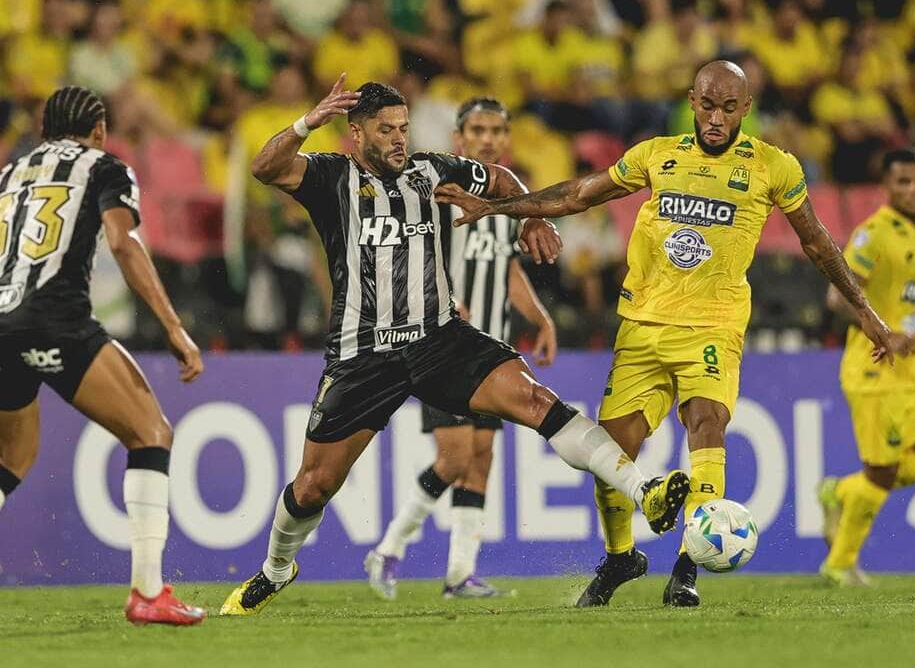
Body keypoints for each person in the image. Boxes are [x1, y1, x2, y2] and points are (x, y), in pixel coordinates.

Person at [436, 60, 914, 608]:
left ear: (746, 110)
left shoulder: (772, 167)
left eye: (728, 109)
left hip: (713, 326)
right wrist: (496, 208)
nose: (716, 118)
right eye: (707, 105)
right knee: (611, 454)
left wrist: (867, 313)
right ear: (692, 100)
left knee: (707, 425)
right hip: (642, 326)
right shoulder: (656, 155)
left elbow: (818, 244)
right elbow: (578, 195)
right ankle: (621, 559)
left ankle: (688, 567)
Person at [219, 78, 691, 616]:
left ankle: (643, 490)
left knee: (538, 402)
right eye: (385, 130)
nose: (399, 139)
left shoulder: (431, 168)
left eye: (403, 128)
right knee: (313, 486)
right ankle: (276, 570)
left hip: (440, 338)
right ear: (356, 134)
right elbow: (264, 168)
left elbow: (500, 177)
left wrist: (529, 214)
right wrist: (307, 122)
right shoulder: (332, 175)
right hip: (362, 353)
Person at [0, 86, 206, 625]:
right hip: (53, 319)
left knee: (11, 458)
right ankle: (148, 592)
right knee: (151, 433)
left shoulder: (11, 172)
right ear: (98, 131)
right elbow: (123, 242)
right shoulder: (104, 165)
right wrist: (174, 327)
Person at [366, 97, 558, 600]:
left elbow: (506, 269)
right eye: (478, 130)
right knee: (453, 458)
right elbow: (406, 250)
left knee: (482, 458)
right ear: (459, 139)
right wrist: (444, 298)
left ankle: (460, 572)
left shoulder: (505, 201)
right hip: (442, 348)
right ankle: (389, 548)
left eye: (497, 130)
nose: (488, 139)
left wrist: (540, 319)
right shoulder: (443, 191)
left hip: (491, 353)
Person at [818, 148, 915, 586]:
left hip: (913, 366)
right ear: (887, 186)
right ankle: (839, 564)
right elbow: (837, 298)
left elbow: (909, 294)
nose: (913, 190)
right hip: (874, 365)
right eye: (903, 182)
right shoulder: (871, 235)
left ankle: (840, 492)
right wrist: (882, 330)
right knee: (882, 471)